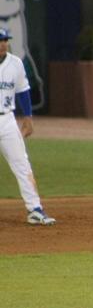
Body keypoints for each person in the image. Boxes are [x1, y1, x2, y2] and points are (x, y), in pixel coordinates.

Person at [0, 28, 55, 225]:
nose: (3, 43)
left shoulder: (15, 64)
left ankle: (35, 209)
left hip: (7, 120)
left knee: (22, 165)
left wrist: (28, 117)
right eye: (0, 40)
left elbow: (23, 91)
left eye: (5, 40)